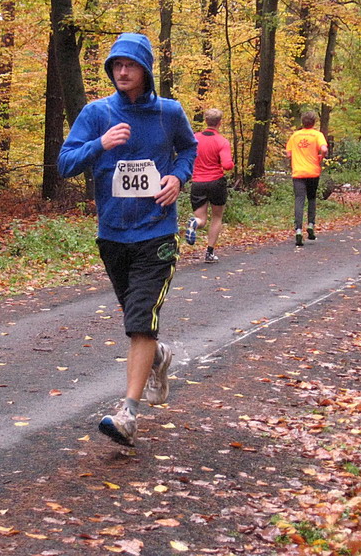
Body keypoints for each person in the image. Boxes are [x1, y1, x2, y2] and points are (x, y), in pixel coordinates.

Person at [58, 33, 197, 447]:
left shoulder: (168, 113)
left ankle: (128, 414)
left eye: (130, 65)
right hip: (113, 234)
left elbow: (189, 150)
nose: (122, 71)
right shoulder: (96, 113)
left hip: (157, 232)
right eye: (116, 65)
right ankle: (158, 355)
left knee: (140, 322)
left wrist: (178, 177)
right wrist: (100, 144)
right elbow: (65, 163)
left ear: (146, 70)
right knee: (138, 322)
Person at [185, 108, 234, 263]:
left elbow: (187, 156)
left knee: (201, 219)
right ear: (220, 123)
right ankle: (209, 253)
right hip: (216, 182)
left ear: (205, 121)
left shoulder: (194, 138)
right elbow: (227, 165)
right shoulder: (222, 141)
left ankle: (195, 223)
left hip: (198, 182)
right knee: (217, 217)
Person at [285, 111, 328, 247]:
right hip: (313, 172)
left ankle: (298, 230)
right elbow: (324, 149)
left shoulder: (295, 136)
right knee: (312, 198)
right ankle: (310, 225)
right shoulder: (317, 135)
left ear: (302, 122)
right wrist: (321, 156)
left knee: (299, 200)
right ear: (314, 122)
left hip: (298, 173)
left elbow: (288, 154)